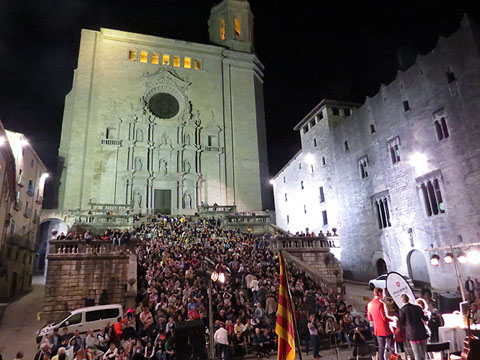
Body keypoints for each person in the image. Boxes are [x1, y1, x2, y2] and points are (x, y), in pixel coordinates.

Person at [398, 294, 429, 360]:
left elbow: (401, 322)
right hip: (421, 332)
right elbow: (425, 318)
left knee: (416, 352)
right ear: (409, 299)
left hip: (411, 333)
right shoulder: (417, 307)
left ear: (402, 301)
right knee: (423, 352)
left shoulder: (402, 310)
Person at [367, 288, 393, 360]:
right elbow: (384, 318)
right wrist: (392, 319)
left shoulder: (369, 304)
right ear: (379, 293)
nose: (383, 295)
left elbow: (370, 318)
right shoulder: (381, 304)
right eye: (383, 293)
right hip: (385, 328)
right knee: (391, 347)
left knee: (381, 348)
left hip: (377, 329)